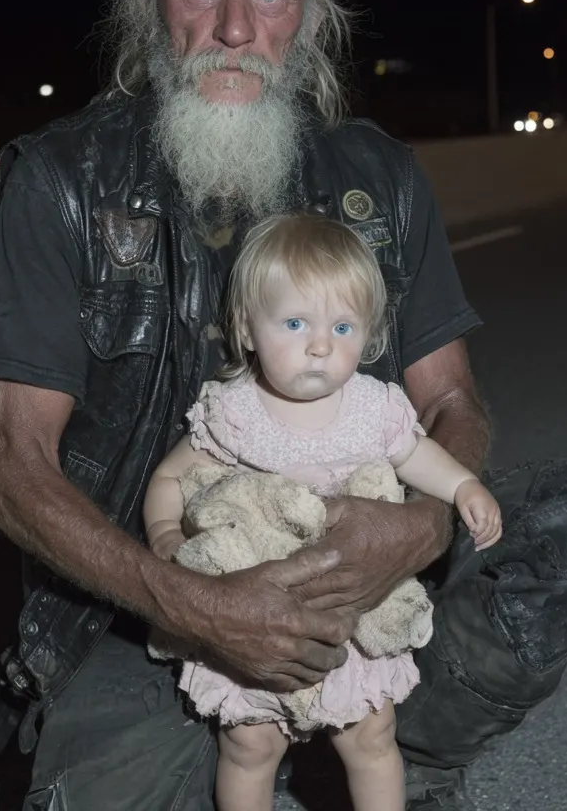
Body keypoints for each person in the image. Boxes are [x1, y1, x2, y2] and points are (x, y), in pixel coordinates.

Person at [0, 0, 567, 811]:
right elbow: (10, 461)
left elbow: (451, 401)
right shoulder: (62, 181)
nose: (235, 29)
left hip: (364, 565)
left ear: (309, 19)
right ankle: (259, 746)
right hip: (148, 610)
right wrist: (191, 601)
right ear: (150, 6)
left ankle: (399, 754)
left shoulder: (381, 178)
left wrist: (419, 524)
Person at [143, 212, 503, 811]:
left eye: (343, 326)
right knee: (250, 743)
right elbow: (173, 475)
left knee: (371, 734)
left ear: (369, 334)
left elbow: (417, 455)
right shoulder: (234, 411)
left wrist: (464, 485)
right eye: (294, 323)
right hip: (258, 604)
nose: (320, 345)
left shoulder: (372, 407)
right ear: (247, 329)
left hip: (351, 609)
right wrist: (161, 536)